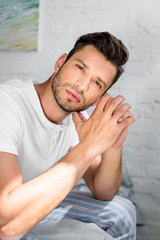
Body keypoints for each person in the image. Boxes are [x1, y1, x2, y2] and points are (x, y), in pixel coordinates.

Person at [0, 32, 136, 240]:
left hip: (35, 206)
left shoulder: (77, 121)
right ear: (60, 63)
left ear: (97, 99)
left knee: (121, 211)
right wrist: (88, 147)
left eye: (97, 84)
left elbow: (104, 191)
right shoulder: (8, 104)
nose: (82, 86)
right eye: (80, 68)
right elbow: (5, 220)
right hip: (8, 214)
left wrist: (113, 144)